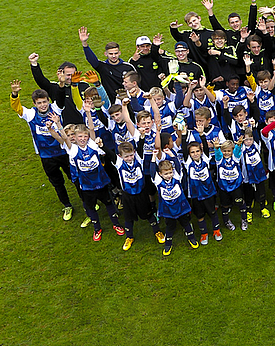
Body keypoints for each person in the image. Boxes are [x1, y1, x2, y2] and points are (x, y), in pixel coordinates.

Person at [46, 111, 124, 241]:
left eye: (85, 136)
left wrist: (88, 112)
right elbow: (64, 137)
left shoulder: (93, 144)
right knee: (90, 207)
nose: (82, 139)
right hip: (86, 185)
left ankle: (116, 224)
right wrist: (57, 123)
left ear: (88, 137)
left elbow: (92, 128)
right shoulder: (73, 149)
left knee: (109, 203)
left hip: (101, 181)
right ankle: (97, 228)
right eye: (79, 137)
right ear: (75, 138)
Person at [10, 80, 77, 220]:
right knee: (57, 182)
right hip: (46, 156)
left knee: (74, 177)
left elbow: (60, 96)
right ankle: (67, 205)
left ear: (48, 101)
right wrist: (15, 94)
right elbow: (17, 108)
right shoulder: (30, 114)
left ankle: (86, 200)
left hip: (64, 151)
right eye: (39, 103)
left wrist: (61, 84)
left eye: (44, 102)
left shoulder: (56, 109)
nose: (43, 105)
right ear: (34, 104)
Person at [114, 141, 164, 250]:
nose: (129, 158)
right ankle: (129, 237)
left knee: (149, 214)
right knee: (128, 217)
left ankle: (157, 231)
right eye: (126, 156)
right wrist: (101, 145)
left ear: (134, 153)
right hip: (127, 195)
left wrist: (141, 138)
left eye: (131, 155)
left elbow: (140, 146)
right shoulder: (118, 163)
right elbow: (109, 154)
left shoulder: (138, 159)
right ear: (120, 156)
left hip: (141, 193)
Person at [150, 149, 199, 256]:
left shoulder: (177, 176)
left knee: (185, 222)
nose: (169, 175)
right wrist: (153, 157)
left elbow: (177, 164)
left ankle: (191, 238)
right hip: (167, 208)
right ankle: (168, 244)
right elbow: (152, 171)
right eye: (166, 173)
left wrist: (171, 154)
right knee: (170, 226)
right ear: (160, 174)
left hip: (180, 205)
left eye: (170, 172)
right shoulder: (157, 180)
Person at [183, 141, 222, 244]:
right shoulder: (188, 163)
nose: (195, 154)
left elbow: (205, 146)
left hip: (209, 192)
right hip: (196, 195)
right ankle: (204, 234)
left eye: (197, 151)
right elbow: (184, 149)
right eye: (192, 152)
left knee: (212, 212)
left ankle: (216, 231)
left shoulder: (205, 159)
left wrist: (201, 135)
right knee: (200, 215)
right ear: (189, 154)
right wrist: (183, 135)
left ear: (201, 152)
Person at [78, 26, 136, 95]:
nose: (114, 56)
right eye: (111, 54)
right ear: (106, 54)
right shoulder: (102, 66)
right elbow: (91, 59)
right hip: (108, 101)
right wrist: (84, 43)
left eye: (116, 53)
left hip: (126, 100)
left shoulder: (128, 67)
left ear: (119, 53)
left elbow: (136, 83)